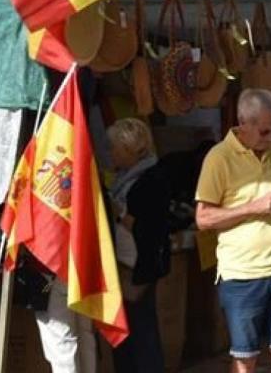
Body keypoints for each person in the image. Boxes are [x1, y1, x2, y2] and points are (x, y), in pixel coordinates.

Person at [196, 89, 271, 373]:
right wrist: (252, 207)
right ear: (243, 123)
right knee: (245, 358)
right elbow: (204, 218)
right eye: (263, 132)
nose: (270, 138)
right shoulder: (218, 158)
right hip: (242, 276)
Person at [106, 118, 171, 373]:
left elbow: (149, 226)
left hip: (140, 265)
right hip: (126, 261)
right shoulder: (124, 178)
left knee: (141, 330)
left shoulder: (151, 178)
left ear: (130, 149)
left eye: (114, 147)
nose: (110, 152)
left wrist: (119, 214)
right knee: (128, 330)